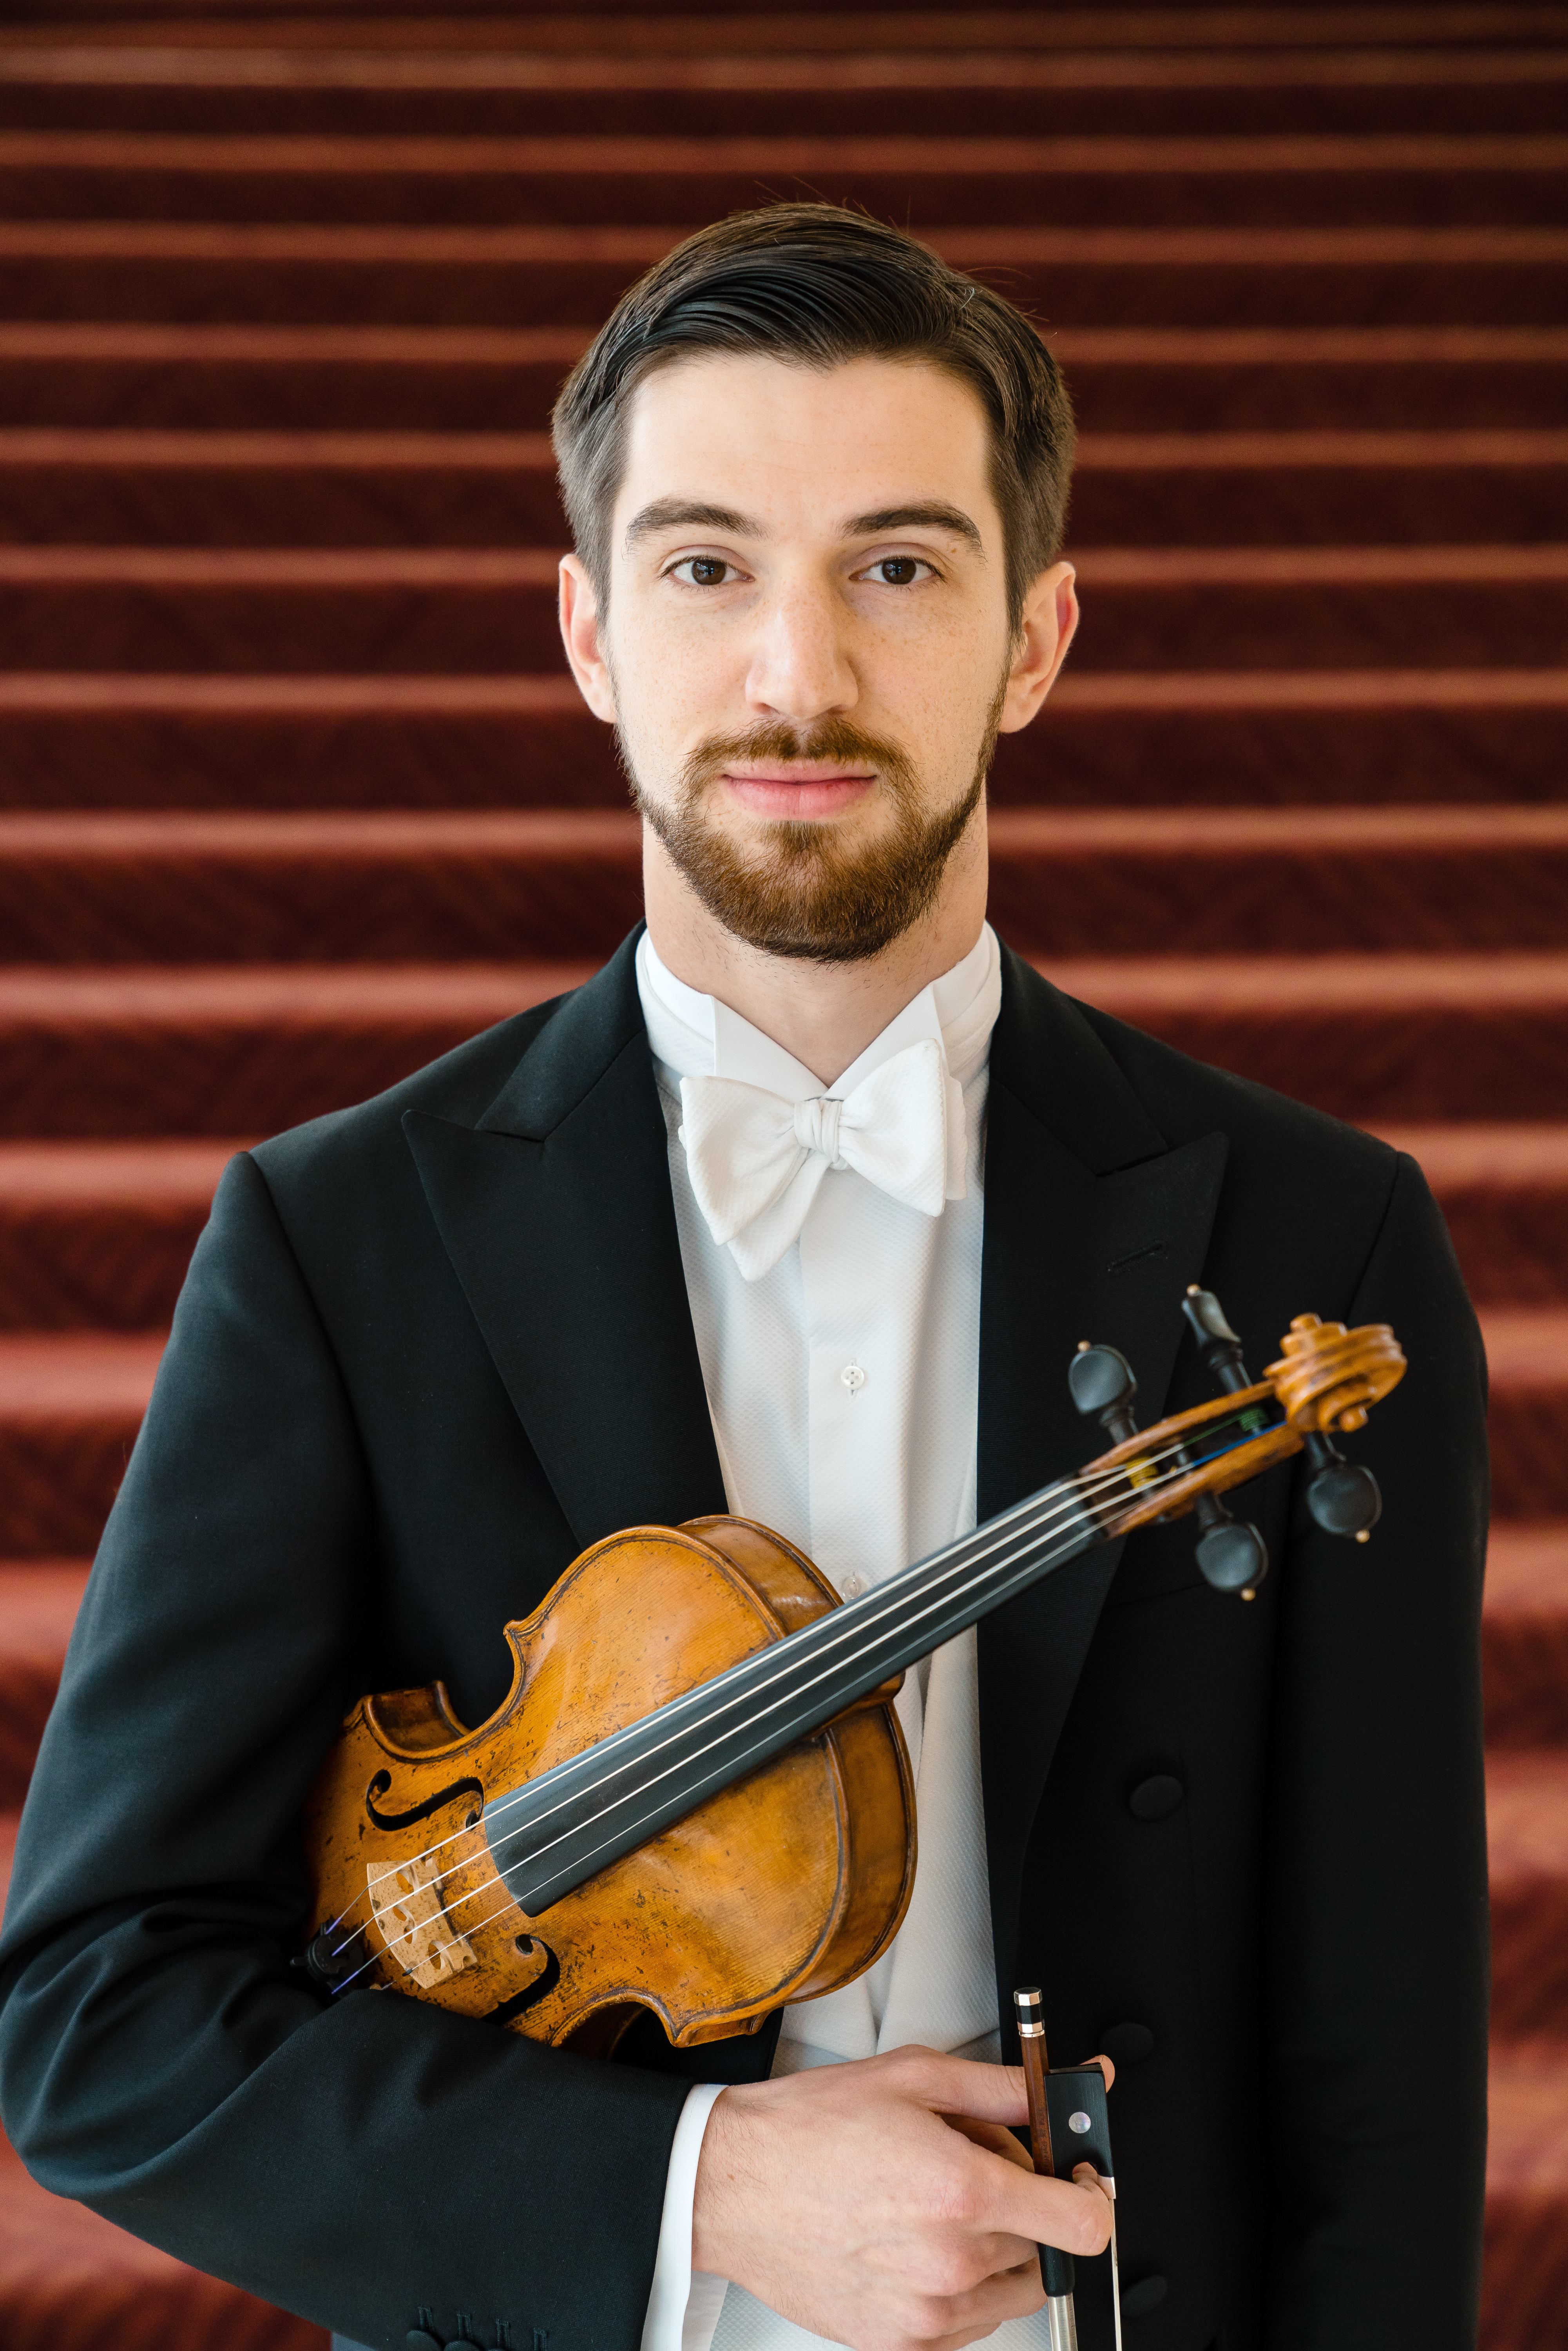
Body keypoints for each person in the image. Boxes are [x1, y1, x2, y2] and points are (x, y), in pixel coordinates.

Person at [0, 205, 1488, 2351]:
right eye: (706, 568)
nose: (798, 674)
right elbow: (98, 2017)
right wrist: (691, 2194)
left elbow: (1381, 2062)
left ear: (1035, 639)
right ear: (593, 632)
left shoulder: (1311, 1241)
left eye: (897, 567)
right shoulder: (340, 1241)